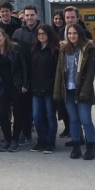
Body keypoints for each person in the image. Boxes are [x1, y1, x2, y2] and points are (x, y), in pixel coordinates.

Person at [54, 23, 95, 160]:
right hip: (68, 90)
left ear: (80, 34)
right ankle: (76, 146)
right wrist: (57, 91)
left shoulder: (88, 49)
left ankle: (91, 147)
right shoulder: (64, 49)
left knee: (85, 119)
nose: (72, 36)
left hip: (83, 90)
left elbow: (90, 73)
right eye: (69, 33)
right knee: (73, 119)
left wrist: (85, 92)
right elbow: (59, 71)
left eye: (74, 33)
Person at [0, 27, 26, 152]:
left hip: (16, 86)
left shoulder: (15, 48)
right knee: (1, 114)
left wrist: (24, 84)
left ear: (4, 36)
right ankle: (8, 139)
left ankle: (15, 140)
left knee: (18, 114)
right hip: (2, 88)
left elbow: (23, 66)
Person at [28, 24, 60, 153]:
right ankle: (41, 140)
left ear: (49, 35)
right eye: (39, 34)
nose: (41, 36)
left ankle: (51, 142)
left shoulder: (55, 50)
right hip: (36, 89)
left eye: (43, 34)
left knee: (50, 115)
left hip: (49, 89)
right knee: (36, 116)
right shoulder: (34, 49)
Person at [12, 5, 40, 146]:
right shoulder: (17, 33)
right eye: (27, 15)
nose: (29, 18)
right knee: (24, 108)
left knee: (40, 110)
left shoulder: (43, 31)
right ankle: (26, 133)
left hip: (40, 74)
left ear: (37, 15)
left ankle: (44, 136)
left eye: (32, 15)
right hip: (23, 75)